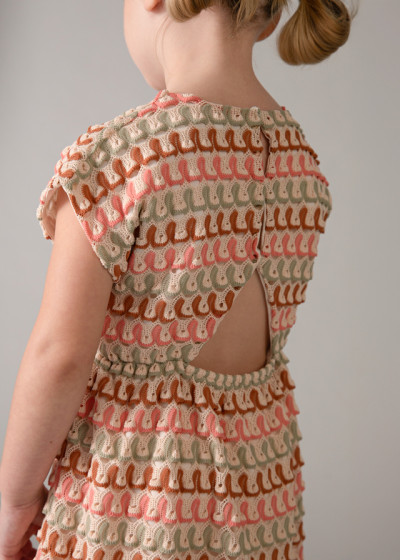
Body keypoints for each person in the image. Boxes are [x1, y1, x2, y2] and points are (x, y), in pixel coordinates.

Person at [0, 0, 358, 559]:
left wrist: (15, 501)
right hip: (259, 491)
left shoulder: (122, 161)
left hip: (133, 492)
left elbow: (59, 357)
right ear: (268, 17)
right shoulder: (302, 166)